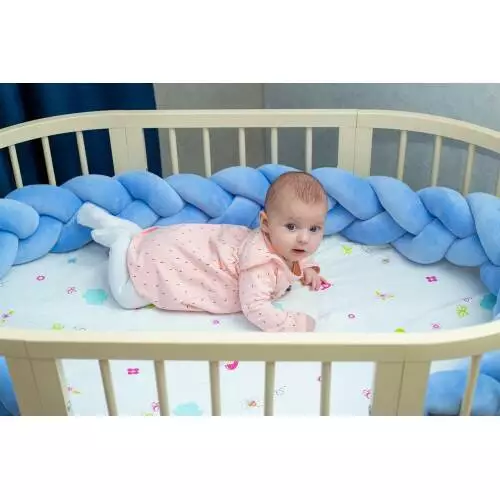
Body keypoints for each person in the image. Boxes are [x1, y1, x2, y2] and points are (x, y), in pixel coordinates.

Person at [76, 171, 329, 332]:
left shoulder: (289, 246)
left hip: (179, 244)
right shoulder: (259, 265)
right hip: (169, 262)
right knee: (126, 298)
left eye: (314, 228)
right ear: (265, 223)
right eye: (292, 227)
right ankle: (121, 242)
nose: (304, 238)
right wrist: (292, 324)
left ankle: (128, 232)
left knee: (146, 245)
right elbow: (255, 308)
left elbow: (298, 253)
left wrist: (308, 267)